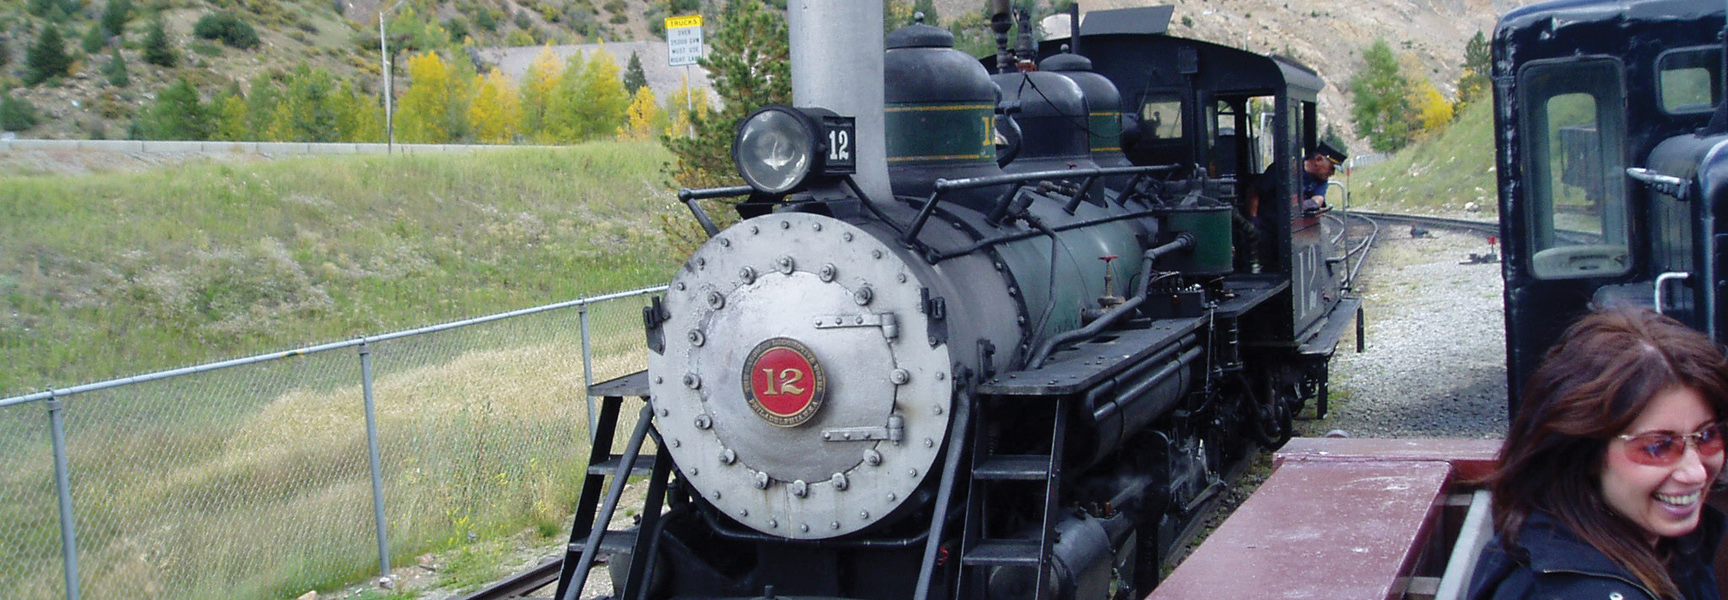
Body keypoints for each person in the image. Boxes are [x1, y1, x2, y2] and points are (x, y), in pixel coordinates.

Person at [1469, 308, 1728, 600]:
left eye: (1707, 436)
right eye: (1657, 447)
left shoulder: (1657, 542)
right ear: (1587, 455)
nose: (1696, 472)